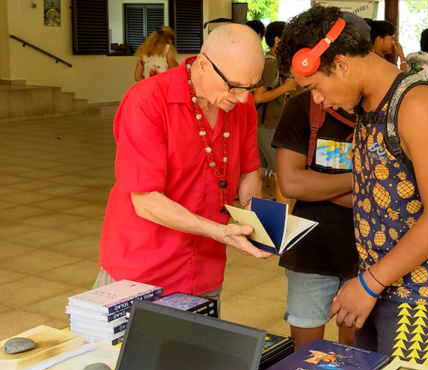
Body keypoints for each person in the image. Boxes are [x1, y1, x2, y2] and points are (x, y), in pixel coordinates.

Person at [277, 6, 428, 369]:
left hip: (421, 295)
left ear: (343, 64)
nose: (316, 100)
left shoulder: (416, 104)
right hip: (376, 286)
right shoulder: (365, 106)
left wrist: (368, 284)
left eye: (315, 87)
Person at [96, 24, 272, 304]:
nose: (243, 98)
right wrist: (219, 231)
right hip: (141, 270)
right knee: (127, 349)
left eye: (250, 87)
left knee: (197, 348)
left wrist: (255, 218)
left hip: (204, 269)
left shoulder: (242, 105)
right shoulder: (147, 101)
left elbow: (249, 170)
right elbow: (145, 200)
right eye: (235, 86)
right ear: (203, 65)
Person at [272, 90, 357, 351]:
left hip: (370, 255)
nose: (319, 93)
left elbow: (387, 196)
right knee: (306, 355)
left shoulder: (380, 109)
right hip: (310, 252)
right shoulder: (302, 107)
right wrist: (360, 181)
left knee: (357, 353)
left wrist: (316, 183)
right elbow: (291, 184)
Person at [253, 21, 297, 204]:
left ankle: (252, 213)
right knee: (282, 176)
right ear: (278, 39)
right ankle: (284, 223)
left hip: (263, 125)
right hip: (268, 126)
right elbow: (259, 97)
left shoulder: (272, 61)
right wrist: (285, 87)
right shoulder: (269, 63)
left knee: (259, 172)